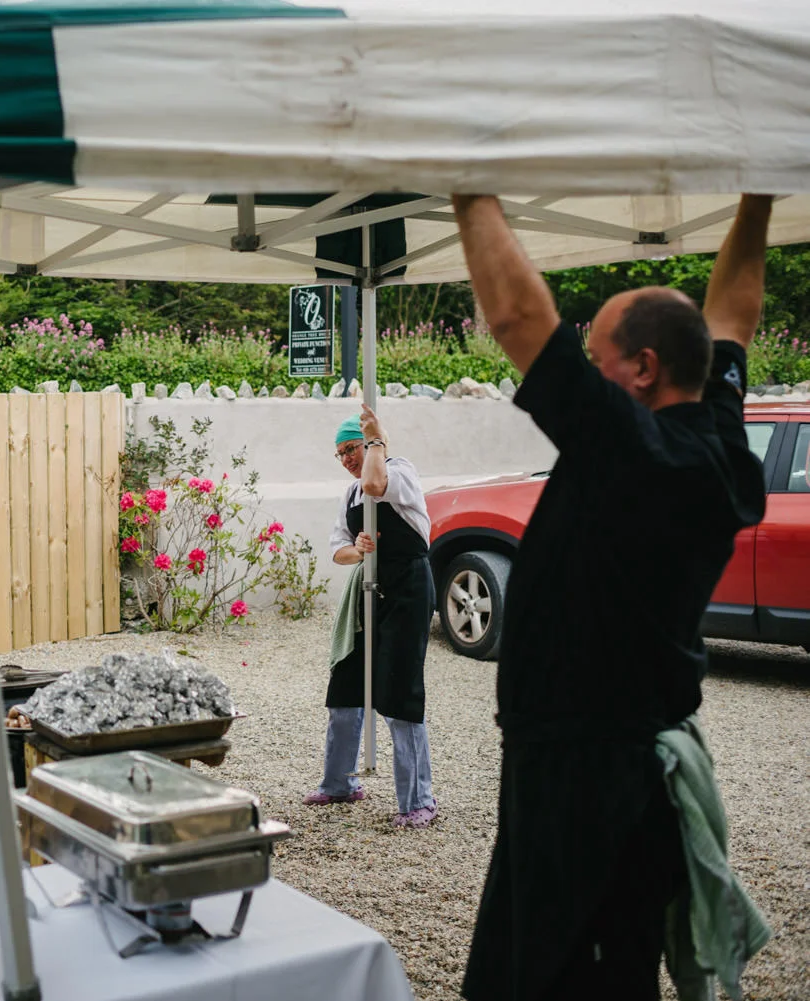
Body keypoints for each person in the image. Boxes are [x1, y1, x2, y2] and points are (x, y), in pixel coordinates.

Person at [453, 194, 773, 1000]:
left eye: (596, 360)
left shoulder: (635, 452)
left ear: (643, 369)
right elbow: (733, 313)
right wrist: (758, 193)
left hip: (585, 783)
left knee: (559, 981)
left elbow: (519, 316)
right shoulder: (718, 438)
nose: (586, 374)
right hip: (606, 767)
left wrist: (465, 188)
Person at [304, 406, 438, 829]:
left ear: (371, 445)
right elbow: (338, 550)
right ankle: (339, 784)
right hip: (366, 592)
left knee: (399, 691)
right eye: (340, 453)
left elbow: (376, 483)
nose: (347, 458)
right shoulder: (348, 496)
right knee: (345, 683)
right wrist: (358, 551)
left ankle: (419, 800)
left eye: (352, 448)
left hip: (408, 588)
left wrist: (379, 439)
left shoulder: (399, 471)